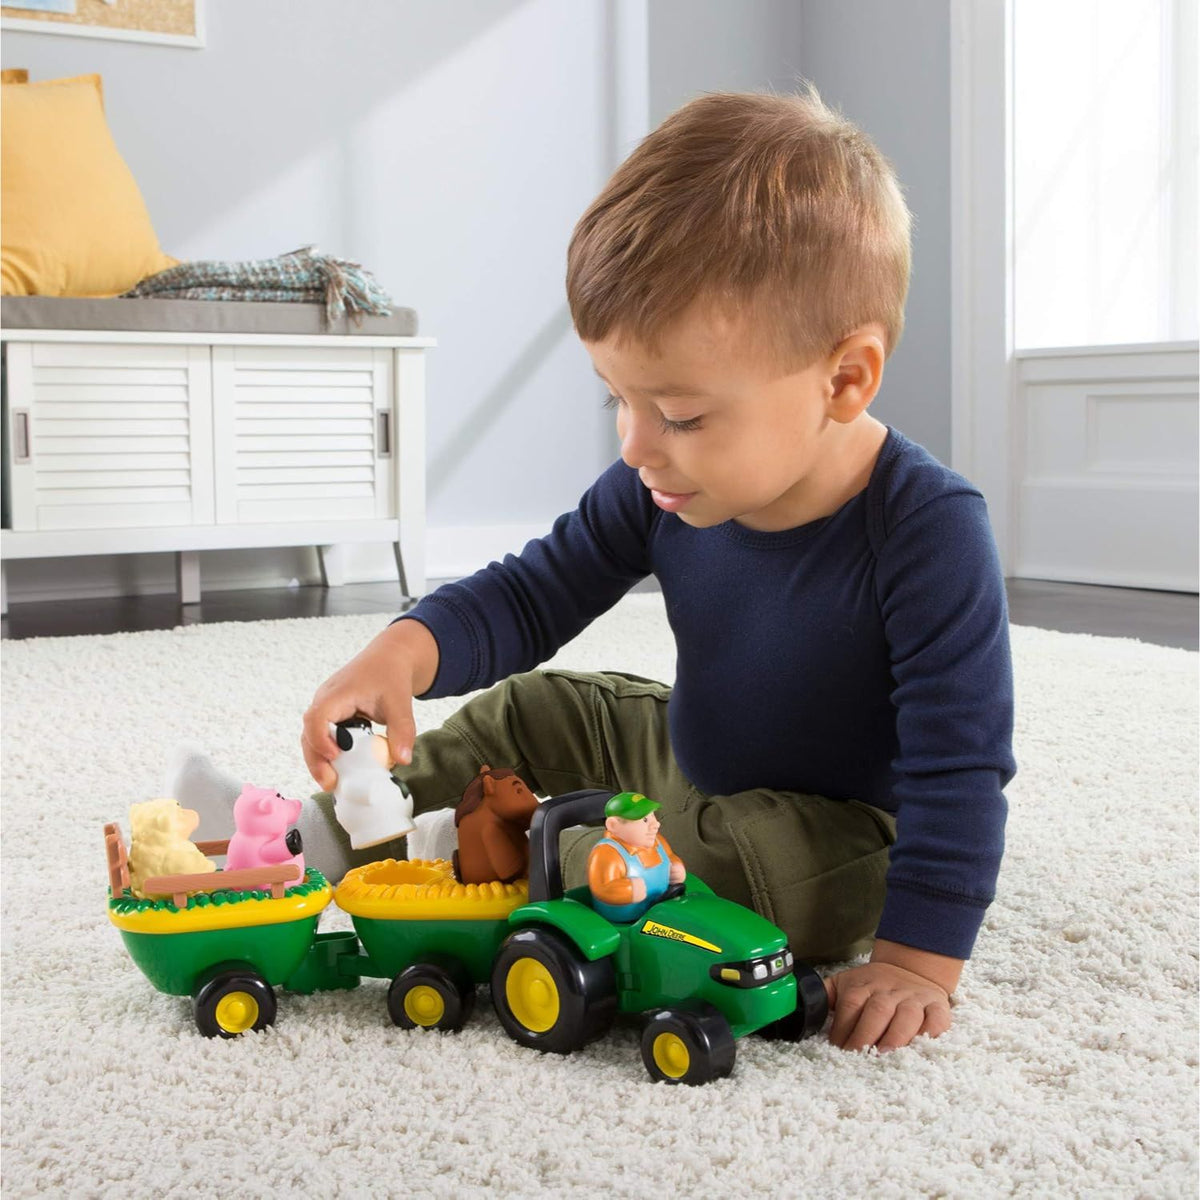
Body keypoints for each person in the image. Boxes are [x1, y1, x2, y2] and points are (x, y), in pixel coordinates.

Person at [299, 86, 1016, 1054]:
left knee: (744, 879)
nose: (638, 447)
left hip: (833, 833)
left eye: (679, 414)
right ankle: (363, 820)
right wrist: (407, 648)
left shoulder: (930, 531)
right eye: (617, 404)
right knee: (536, 711)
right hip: (690, 762)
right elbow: (534, 588)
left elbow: (958, 767)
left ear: (844, 380)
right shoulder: (660, 483)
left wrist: (918, 962)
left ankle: (545, 861)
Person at [586, 791, 686, 923]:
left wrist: (676, 866)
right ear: (614, 825)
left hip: (661, 907)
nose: (656, 824)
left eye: (653, 816)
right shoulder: (607, 853)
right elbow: (603, 888)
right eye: (645, 820)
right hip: (625, 919)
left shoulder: (658, 842)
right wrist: (629, 891)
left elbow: (670, 856)